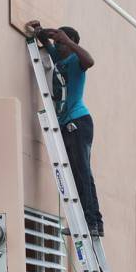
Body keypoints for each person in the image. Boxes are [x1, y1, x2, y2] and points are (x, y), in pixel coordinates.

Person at [26, 20, 103, 237]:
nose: (57, 48)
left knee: (82, 174)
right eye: (57, 44)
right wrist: (42, 31)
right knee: (80, 175)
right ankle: (93, 222)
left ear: (70, 44)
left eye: (61, 44)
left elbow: (90, 60)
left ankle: (90, 222)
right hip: (67, 124)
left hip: (78, 122)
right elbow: (45, 43)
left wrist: (66, 40)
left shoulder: (76, 61)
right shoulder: (60, 59)